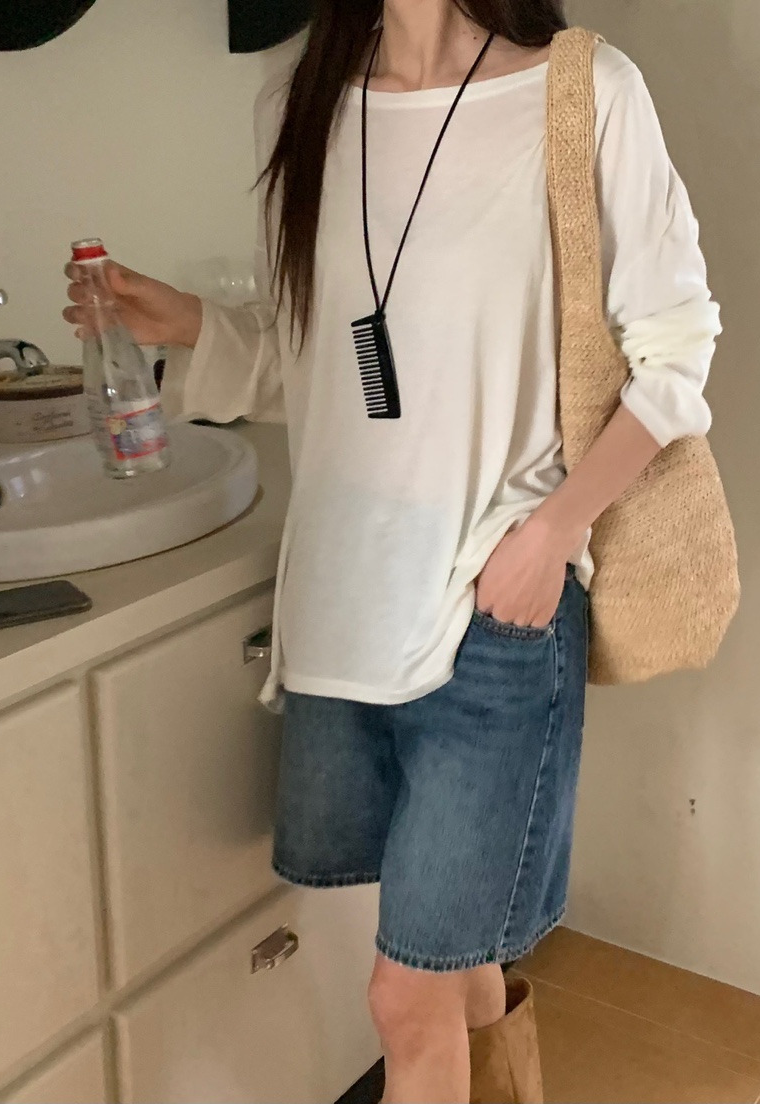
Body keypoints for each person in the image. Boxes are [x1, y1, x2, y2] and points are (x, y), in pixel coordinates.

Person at [64, 2, 720, 1100]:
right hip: (342, 607)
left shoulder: (581, 92)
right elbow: (319, 364)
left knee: (403, 997)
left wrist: (553, 534)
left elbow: (677, 351)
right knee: (450, 964)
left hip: (493, 610)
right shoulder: (301, 102)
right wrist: (179, 321)